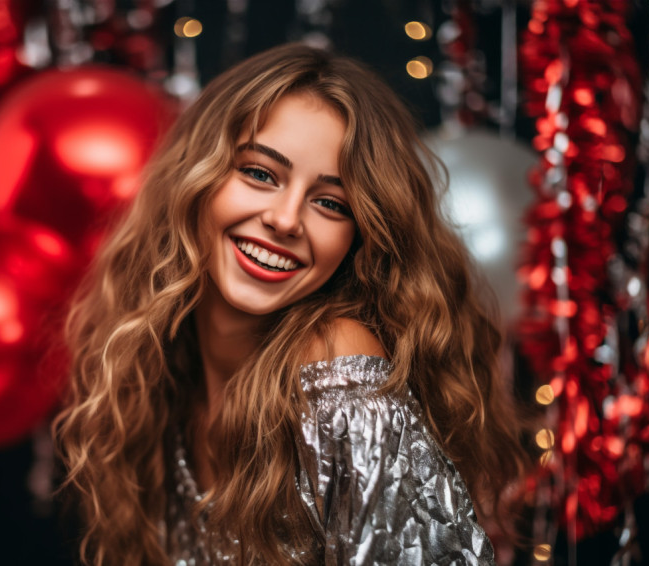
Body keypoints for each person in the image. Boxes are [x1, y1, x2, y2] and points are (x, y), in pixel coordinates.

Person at [54, 43, 528, 565]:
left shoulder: (339, 376)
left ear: (360, 239)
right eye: (260, 173)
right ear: (195, 180)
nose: (284, 219)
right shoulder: (161, 374)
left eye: (330, 203)